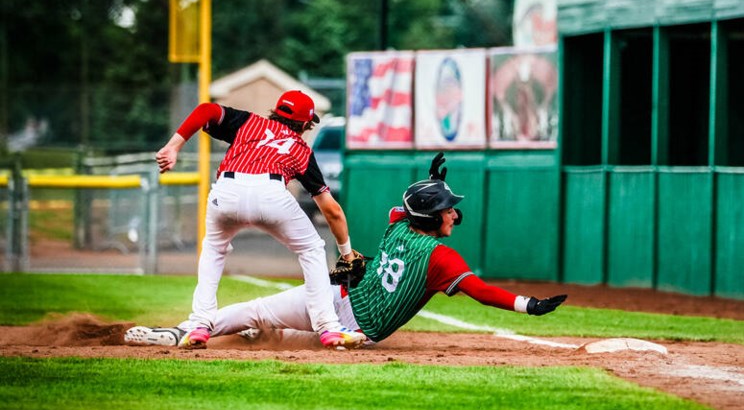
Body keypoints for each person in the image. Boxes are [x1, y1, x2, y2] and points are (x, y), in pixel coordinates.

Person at [125, 153, 567, 348]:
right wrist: (529, 306)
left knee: (263, 319)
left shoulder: (397, 228)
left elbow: (402, 207)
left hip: (338, 300)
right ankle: (193, 332)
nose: (455, 215)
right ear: (432, 219)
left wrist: (432, 183)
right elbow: (484, 293)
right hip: (351, 320)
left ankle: (191, 329)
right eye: (449, 209)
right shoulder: (441, 259)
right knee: (268, 318)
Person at [154, 90, 365, 349]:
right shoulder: (301, 149)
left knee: (214, 249)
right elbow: (331, 211)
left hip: (226, 191)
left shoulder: (247, 122)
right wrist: (346, 253)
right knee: (312, 249)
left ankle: (200, 324)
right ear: (305, 124)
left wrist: (173, 146)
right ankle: (329, 328)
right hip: (271, 194)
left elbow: (206, 110)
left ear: (277, 111)